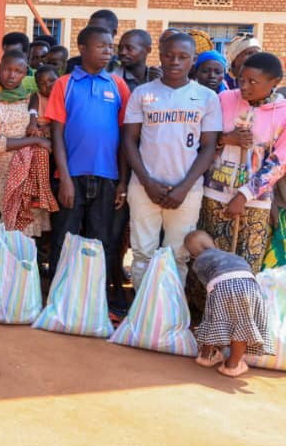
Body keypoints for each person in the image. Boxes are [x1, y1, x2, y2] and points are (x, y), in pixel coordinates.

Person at [122, 33, 221, 291]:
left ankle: (171, 316)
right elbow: (129, 141)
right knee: (143, 254)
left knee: (177, 256)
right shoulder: (142, 94)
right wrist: (147, 183)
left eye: (183, 57)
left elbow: (208, 146)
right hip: (144, 186)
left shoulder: (207, 97)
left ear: (193, 60)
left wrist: (184, 187)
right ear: (160, 55)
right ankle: (144, 315)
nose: (175, 61)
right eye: (169, 55)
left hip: (186, 190)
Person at [44, 26, 130, 312]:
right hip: (72, 177)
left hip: (107, 177)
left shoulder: (117, 86)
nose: (108, 51)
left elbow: (125, 137)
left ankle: (96, 303)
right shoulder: (65, 84)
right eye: (101, 46)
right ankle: (57, 300)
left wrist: (122, 182)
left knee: (102, 241)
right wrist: (64, 178)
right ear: (82, 48)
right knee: (64, 238)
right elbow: (57, 133)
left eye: (110, 46)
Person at [199, 52, 286, 273]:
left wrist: (243, 195)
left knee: (246, 267)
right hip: (214, 194)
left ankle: (241, 309)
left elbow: (279, 162)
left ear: (274, 82)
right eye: (241, 79)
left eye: (253, 81)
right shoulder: (225, 99)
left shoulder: (283, 112)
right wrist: (226, 138)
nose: (244, 86)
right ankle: (203, 309)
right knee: (210, 264)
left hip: (255, 201)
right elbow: (202, 137)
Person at [185, 230, 275, 378]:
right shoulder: (233, 256)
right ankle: (232, 366)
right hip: (248, 286)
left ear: (193, 255)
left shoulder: (199, 262)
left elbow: (207, 284)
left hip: (219, 287)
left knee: (212, 322)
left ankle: (206, 357)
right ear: (215, 244)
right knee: (241, 326)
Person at [0, 51, 54, 238]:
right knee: (11, 222)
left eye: (18, 71)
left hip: (31, 170)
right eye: (7, 69)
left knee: (31, 222)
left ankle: (27, 266)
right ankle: (9, 266)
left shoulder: (29, 99)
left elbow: (45, 127)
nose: (12, 75)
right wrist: (35, 140)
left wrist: (40, 132)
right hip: (6, 171)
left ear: (25, 73)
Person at [67, 9, 120, 73]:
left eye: (100, 30)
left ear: (114, 33)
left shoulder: (122, 67)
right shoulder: (71, 66)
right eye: (90, 29)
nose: (93, 33)